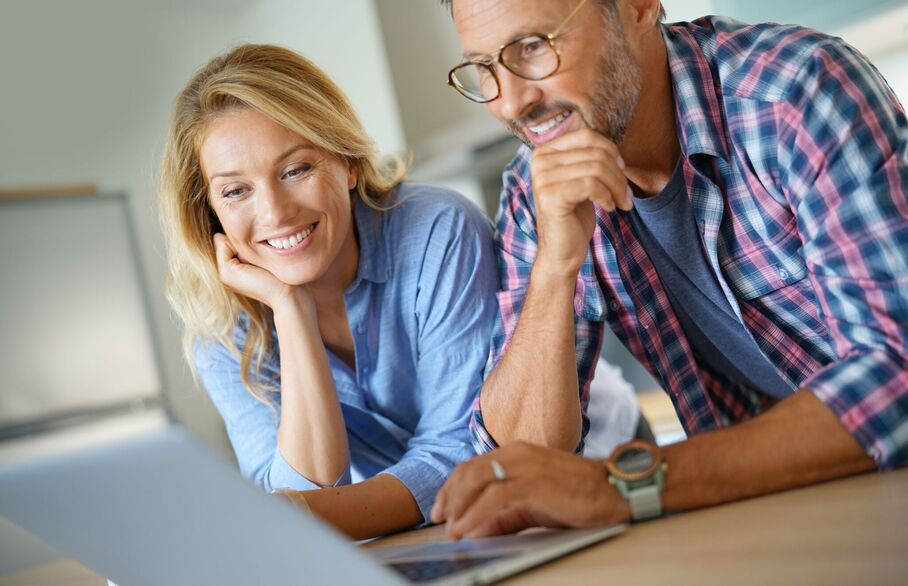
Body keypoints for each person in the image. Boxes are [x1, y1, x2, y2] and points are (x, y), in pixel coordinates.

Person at [430, 0, 908, 538]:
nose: (513, 102)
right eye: (485, 67)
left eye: (534, 46)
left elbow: (897, 378)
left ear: (637, 8)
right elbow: (518, 466)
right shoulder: (534, 187)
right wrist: (554, 269)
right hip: (797, 511)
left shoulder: (795, 92)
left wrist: (623, 487)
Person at [158, 44, 498, 540]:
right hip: (420, 536)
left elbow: (462, 451)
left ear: (347, 162)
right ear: (211, 211)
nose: (274, 213)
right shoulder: (219, 320)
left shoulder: (437, 230)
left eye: (295, 170)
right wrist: (291, 312)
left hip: (569, 483)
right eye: (236, 191)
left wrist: (296, 516)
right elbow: (295, 487)